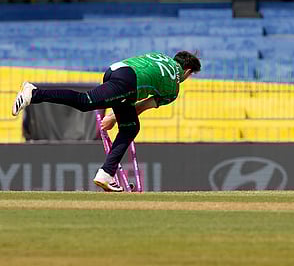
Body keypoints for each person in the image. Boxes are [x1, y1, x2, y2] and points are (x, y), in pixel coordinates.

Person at [12, 51, 201, 192]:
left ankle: (106, 174)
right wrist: (111, 116)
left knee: (130, 127)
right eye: (189, 76)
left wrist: (115, 115)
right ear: (188, 71)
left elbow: (141, 73)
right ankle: (34, 93)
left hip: (115, 70)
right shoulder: (173, 88)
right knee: (84, 102)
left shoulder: (159, 56)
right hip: (128, 83)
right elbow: (142, 106)